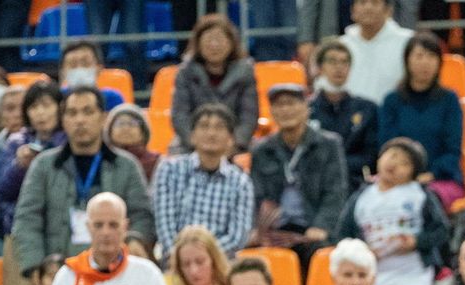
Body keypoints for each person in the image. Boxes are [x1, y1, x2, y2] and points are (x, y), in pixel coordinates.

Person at [12, 87, 156, 285]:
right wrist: (35, 265)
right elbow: (27, 219)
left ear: (103, 118)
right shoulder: (44, 165)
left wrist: (133, 238)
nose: (80, 120)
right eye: (72, 113)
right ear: (63, 120)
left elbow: (142, 215)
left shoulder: (127, 165)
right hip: (58, 268)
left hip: (116, 269)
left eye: (88, 112)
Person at [333, 140, 448, 285]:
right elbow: (343, 234)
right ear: (380, 158)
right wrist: (364, 251)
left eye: (404, 162)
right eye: (391, 156)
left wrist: (415, 242)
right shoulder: (362, 197)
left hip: (412, 278)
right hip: (370, 283)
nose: (394, 164)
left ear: (414, 172)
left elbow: (441, 230)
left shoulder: (420, 194)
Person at [251, 83, 348, 270]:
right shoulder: (261, 150)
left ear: (307, 108)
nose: (286, 109)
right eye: (279, 105)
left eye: (291, 103)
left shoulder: (329, 144)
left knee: (321, 255)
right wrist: (258, 229)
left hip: (313, 228)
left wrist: (322, 226)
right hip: (275, 230)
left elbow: (336, 191)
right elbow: (257, 196)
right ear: (271, 111)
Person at [152, 102, 254, 261]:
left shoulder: (241, 181)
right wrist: (185, 259)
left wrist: (203, 259)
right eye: (204, 126)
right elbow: (165, 227)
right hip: (174, 260)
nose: (211, 133)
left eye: (219, 127)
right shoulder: (169, 169)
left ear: (231, 139)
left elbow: (237, 237)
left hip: (221, 263)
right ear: (192, 135)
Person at [376, 31, 465, 211]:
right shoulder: (391, 100)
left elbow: (452, 149)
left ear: (439, 62)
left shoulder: (449, 100)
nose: (425, 62)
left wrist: (430, 174)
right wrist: (405, 174)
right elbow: (388, 145)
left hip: (440, 179)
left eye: (431, 56)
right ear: (407, 60)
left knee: (425, 201)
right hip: (397, 176)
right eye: (419, 56)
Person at [49, 193, 169, 285]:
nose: (106, 232)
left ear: (125, 227)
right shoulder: (68, 275)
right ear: (88, 227)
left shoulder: (148, 274)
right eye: (98, 225)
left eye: (113, 225)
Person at [0, 81, 66, 263]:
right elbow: (1, 191)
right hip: (21, 229)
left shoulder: (70, 142)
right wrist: (19, 166)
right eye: (34, 106)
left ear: (60, 108)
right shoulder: (16, 142)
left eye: (47, 105)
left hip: (62, 228)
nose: (40, 112)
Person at [172, 16, 259, 153]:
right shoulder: (185, 73)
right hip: (193, 146)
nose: (214, 45)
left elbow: (249, 116)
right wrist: (196, 144)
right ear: (198, 44)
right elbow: (180, 115)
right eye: (208, 40)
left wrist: (234, 144)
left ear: (231, 43)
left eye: (219, 39)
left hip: (233, 146)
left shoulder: (245, 72)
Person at [308, 39, 381, 185]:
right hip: (315, 184)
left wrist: (334, 164)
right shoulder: (307, 110)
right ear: (320, 68)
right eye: (332, 61)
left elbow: (371, 156)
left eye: (344, 62)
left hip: (355, 183)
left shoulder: (367, 109)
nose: (339, 67)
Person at [341, 0, 415, 103]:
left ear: (389, 11)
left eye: (375, 3)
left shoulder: (408, 42)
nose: (368, 8)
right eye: (362, 2)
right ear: (352, 11)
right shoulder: (341, 46)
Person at [165, 225, 234, 285]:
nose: (193, 271)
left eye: (200, 262)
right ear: (179, 268)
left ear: (214, 259)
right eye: (186, 264)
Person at [58, 41, 126, 113]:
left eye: (86, 64)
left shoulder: (112, 98)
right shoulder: (58, 98)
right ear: (63, 71)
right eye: (73, 65)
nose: (80, 69)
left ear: (99, 68)